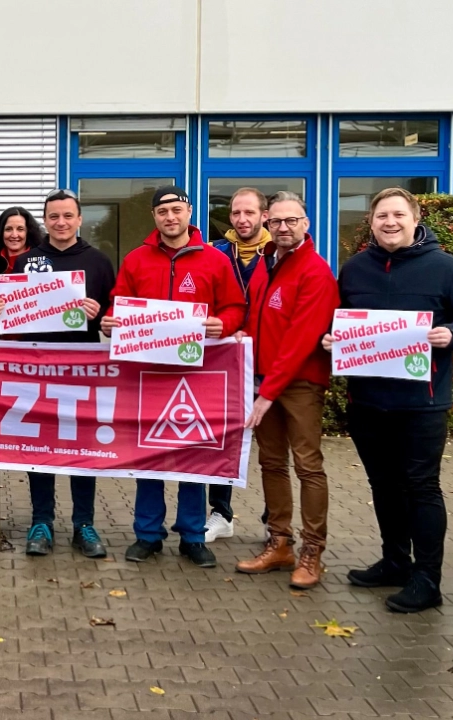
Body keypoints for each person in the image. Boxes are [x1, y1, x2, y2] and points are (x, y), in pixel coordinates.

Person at [322, 187, 453, 613]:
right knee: (383, 485)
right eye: (381, 216)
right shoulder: (356, 268)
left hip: (422, 402)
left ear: (415, 219)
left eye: (398, 214)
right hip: (368, 400)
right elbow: (340, 318)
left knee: (421, 487)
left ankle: (427, 580)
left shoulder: (445, 267)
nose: (389, 222)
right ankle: (395, 561)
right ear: (372, 222)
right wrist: (331, 339)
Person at [100, 185, 246, 567]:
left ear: (189, 212)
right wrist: (111, 324)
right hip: (146, 374)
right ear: (154, 217)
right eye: (163, 210)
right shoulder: (135, 260)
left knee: (192, 455)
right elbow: (118, 305)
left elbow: (234, 306)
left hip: (197, 375)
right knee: (148, 455)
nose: (170, 216)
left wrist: (223, 323)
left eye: (177, 209)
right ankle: (148, 534)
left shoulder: (215, 260)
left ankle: (193, 536)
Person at [0, 190, 114, 558]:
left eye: (67, 216)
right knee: (39, 446)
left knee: (82, 447)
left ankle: (84, 525)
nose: (61, 222)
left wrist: (100, 313)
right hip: (37, 367)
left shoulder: (99, 262)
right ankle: (41, 522)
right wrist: (1, 308)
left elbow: (114, 319)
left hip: (83, 368)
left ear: (79, 220)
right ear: (45, 221)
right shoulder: (27, 261)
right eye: (54, 217)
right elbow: (11, 318)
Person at [232, 192, 340, 589]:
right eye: (275, 221)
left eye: (291, 220)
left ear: (305, 223)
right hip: (264, 379)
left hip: (298, 384)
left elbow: (300, 339)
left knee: (308, 466)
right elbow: (259, 320)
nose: (282, 227)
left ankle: (312, 551)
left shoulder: (315, 271)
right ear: (266, 223)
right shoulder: (266, 263)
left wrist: (266, 394)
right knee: (271, 464)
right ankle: (280, 543)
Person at [207, 187, 271, 541]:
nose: (242, 220)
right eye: (235, 213)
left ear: (264, 215)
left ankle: (271, 518)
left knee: (271, 446)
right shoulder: (217, 253)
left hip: (267, 360)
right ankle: (221, 513)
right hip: (225, 361)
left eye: (249, 213)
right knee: (222, 439)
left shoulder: (278, 254)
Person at [0, 206, 42, 273]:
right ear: (0, 232)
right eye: (8, 229)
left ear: (28, 232)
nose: (14, 235)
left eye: (20, 229)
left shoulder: (42, 263)